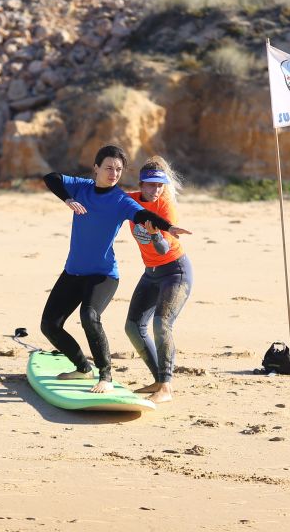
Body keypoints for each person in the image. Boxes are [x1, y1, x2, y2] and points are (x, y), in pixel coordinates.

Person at [41, 145, 190, 393]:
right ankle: (82, 368)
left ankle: (105, 376)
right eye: (109, 167)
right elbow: (51, 178)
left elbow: (143, 215)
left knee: (89, 316)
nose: (114, 173)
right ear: (96, 168)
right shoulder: (81, 187)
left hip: (103, 275)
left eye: (119, 169)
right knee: (49, 325)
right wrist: (67, 199)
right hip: (73, 272)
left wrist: (168, 227)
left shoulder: (120, 200)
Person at [124, 157, 193, 404]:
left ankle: (166, 387)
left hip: (175, 272)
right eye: (151, 185)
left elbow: (163, 249)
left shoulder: (165, 207)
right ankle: (157, 379)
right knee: (133, 327)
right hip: (150, 273)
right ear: (141, 185)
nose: (156, 190)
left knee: (161, 324)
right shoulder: (130, 200)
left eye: (160, 186)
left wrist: (155, 236)